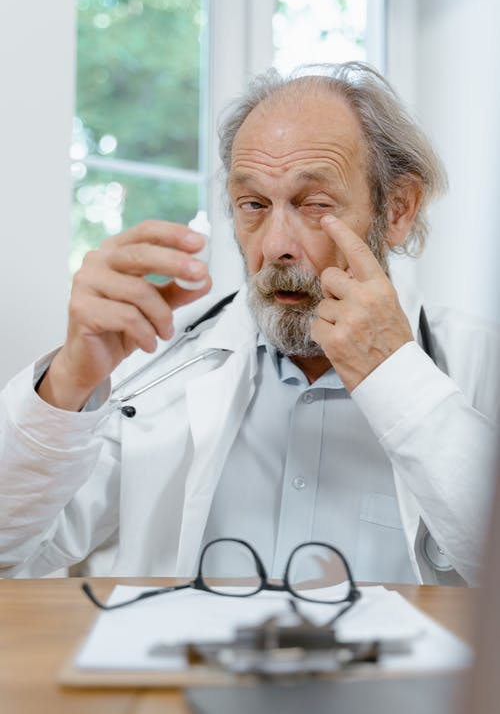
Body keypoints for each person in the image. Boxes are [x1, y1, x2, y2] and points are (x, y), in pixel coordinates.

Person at [0, 62, 498, 584]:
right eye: (254, 205)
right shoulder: (151, 363)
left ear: (397, 209)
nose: (275, 244)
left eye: (314, 204)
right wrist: (68, 381)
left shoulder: (480, 361)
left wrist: (397, 376)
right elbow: (8, 552)